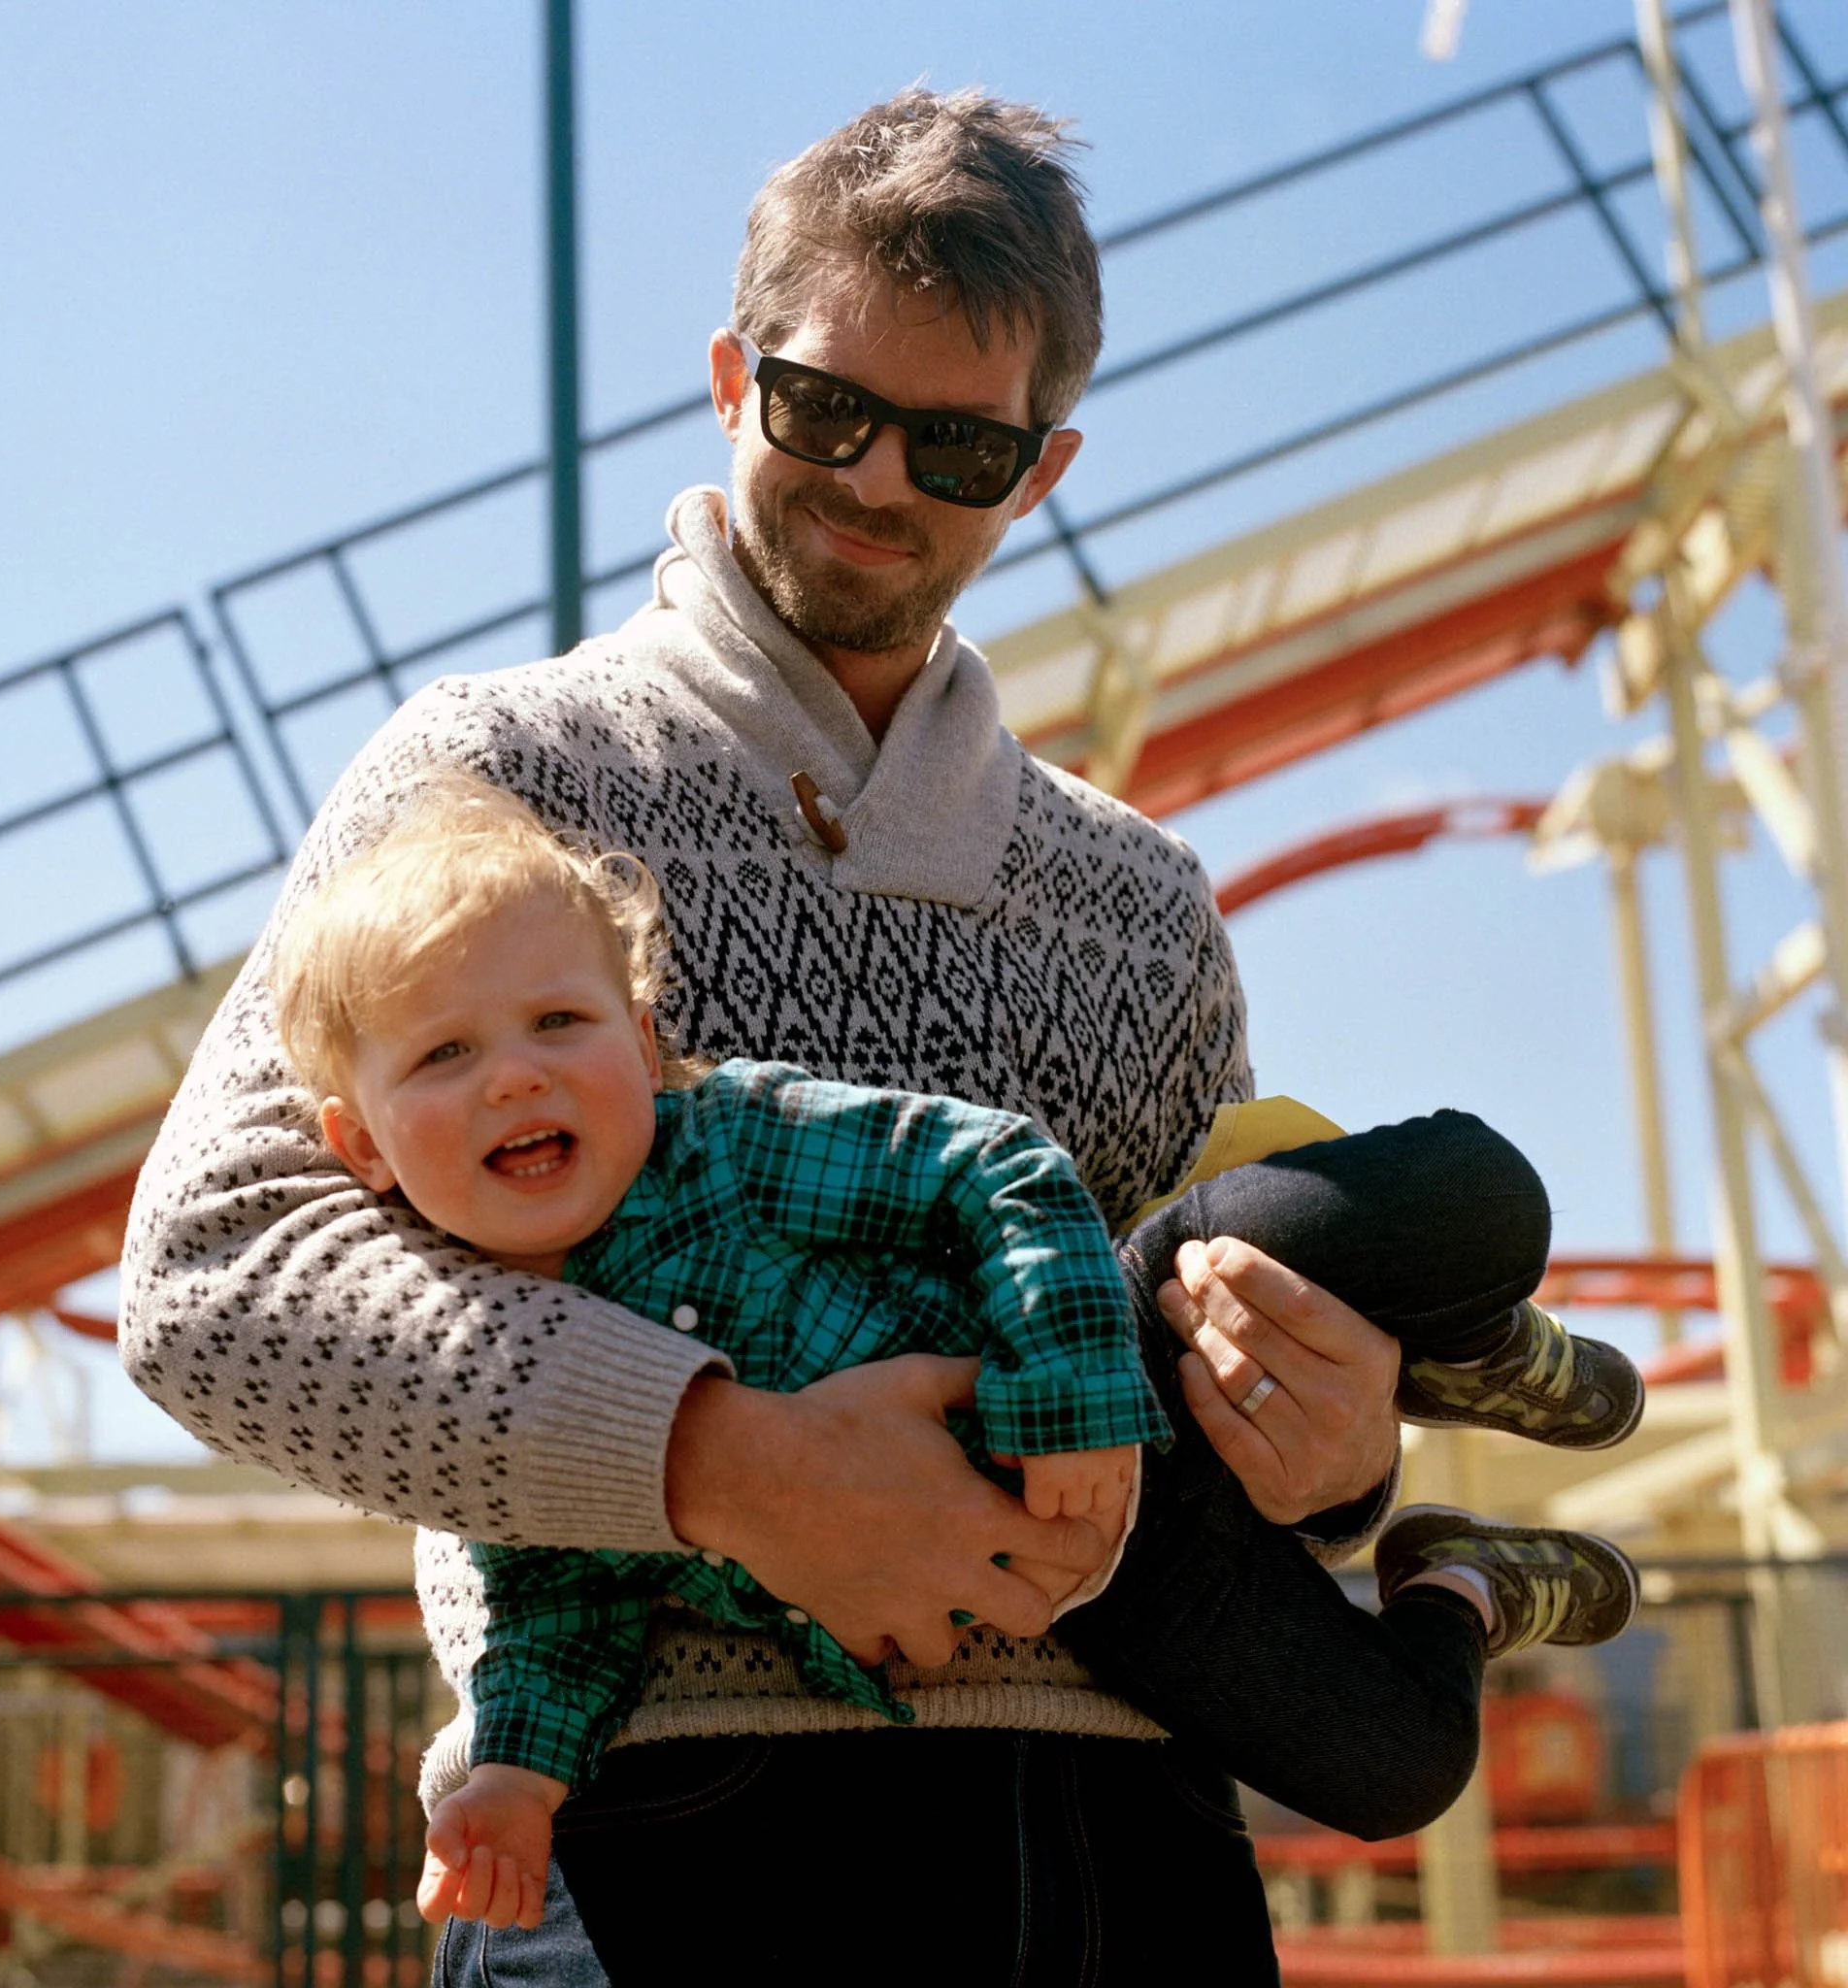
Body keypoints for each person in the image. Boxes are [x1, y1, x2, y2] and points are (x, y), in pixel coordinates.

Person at [119, 86, 1502, 1981]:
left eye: (955, 445)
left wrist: (1336, 1464)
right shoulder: (489, 774)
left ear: (1049, 465)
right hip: (646, 1839)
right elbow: (212, 1276)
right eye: (824, 408)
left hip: (1126, 1852)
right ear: (727, 374)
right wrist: (720, 1460)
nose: (873, 481)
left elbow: (1221, 1439)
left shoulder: (1141, 898)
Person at [265, 775, 1642, 1958]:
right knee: (1399, 1765)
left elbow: (989, 1164)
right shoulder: (488, 1383)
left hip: (1107, 1335)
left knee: (1476, 1192)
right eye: (448, 1055)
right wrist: (512, 1775)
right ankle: (1466, 1579)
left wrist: (1071, 1399)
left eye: (559, 1025)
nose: (516, 1076)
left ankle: (1456, 1340)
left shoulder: (726, 1144)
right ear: (365, 1147)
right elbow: (558, 1622)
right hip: (1087, 1584)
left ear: (639, 1037)